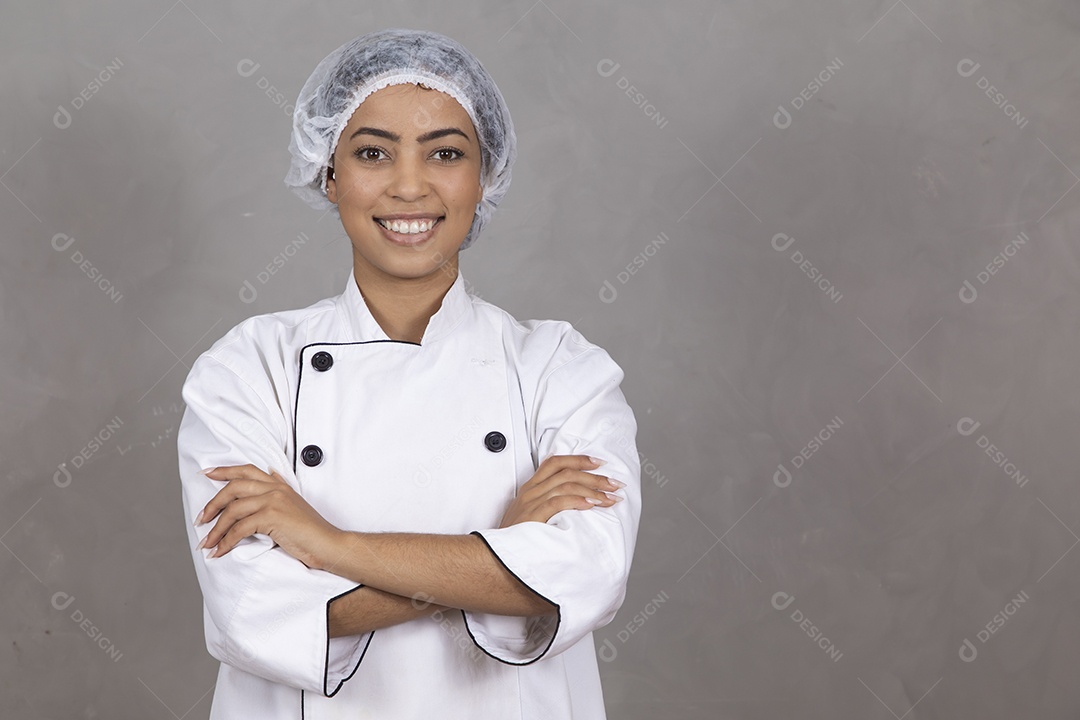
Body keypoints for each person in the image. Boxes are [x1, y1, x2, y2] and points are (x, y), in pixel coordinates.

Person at [177, 28, 641, 719]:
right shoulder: (248, 369)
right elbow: (252, 611)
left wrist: (329, 546)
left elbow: (585, 576)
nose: (409, 186)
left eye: (445, 153)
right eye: (372, 153)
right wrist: (504, 556)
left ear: (484, 176)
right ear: (329, 174)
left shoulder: (562, 369)